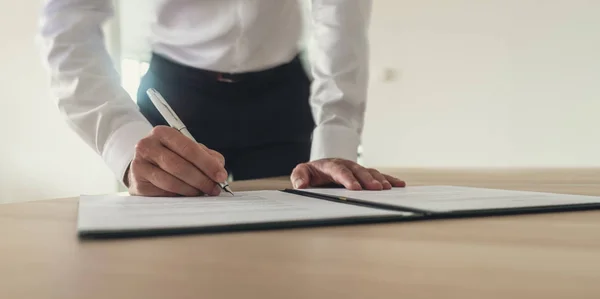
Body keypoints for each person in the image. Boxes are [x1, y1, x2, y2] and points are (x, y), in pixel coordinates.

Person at [38, 0, 405, 197]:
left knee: (303, 251)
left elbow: (339, 13)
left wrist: (336, 133)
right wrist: (122, 143)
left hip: (282, 97)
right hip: (173, 97)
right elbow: (68, 25)